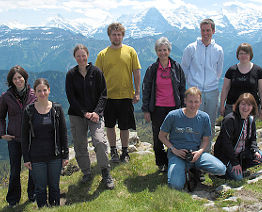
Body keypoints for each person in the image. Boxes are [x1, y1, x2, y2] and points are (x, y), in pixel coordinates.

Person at [66, 44, 114, 189]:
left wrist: (96, 112)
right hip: (77, 115)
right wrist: (84, 113)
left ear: (88, 55)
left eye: (83, 55)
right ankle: (86, 172)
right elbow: (71, 98)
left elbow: (103, 94)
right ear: (74, 57)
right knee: (80, 144)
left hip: (95, 114)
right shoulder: (71, 75)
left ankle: (105, 171)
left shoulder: (96, 72)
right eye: (78, 56)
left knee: (99, 141)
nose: (81, 58)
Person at [158, 87, 226, 190]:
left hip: (196, 155)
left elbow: (206, 139)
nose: (193, 105)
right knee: (175, 186)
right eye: (190, 102)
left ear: (200, 102)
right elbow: (161, 136)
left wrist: (199, 152)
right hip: (177, 154)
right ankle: (182, 171)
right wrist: (173, 150)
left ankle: (194, 170)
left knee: (221, 169)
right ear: (185, 101)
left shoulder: (204, 118)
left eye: (196, 102)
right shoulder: (173, 116)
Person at [95, 23, 141, 163]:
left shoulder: (130, 51)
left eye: (119, 34)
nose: (116, 36)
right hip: (108, 97)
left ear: (123, 35)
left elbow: (136, 72)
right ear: (109, 36)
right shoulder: (103, 54)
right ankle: (114, 150)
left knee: (124, 126)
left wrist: (137, 91)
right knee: (109, 126)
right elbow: (97, 76)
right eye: (114, 34)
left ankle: (125, 151)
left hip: (126, 95)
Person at [21, 78, 69, 208]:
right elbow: (24, 137)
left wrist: (65, 155)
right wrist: (26, 158)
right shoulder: (29, 111)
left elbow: (63, 133)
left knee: (54, 186)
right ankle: (42, 208)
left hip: (55, 155)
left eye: (44, 90)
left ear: (49, 90)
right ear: (34, 93)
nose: (42, 93)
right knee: (40, 188)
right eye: (39, 91)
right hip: (36, 157)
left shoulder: (57, 109)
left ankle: (55, 208)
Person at [142, 37, 186, 172]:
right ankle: (161, 163)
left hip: (174, 108)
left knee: (176, 136)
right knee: (158, 137)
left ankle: (174, 161)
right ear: (156, 52)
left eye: (165, 50)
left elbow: (182, 88)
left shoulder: (177, 67)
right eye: (160, 50)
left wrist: (184, 107)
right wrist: (146, 110)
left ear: (169, 51)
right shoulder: (152, 69)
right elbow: (146, 89)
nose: (162, 53)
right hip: (157, 109)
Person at [181, 18, 224, 151]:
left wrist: (211, 82)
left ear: (213, 31)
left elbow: (218, 72)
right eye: (203, 30)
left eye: (208, 30)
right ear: (200, 31)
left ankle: (205, 152)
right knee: (194, 122)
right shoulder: (191, 48)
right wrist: (193, 85)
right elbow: (184, 69)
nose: (205, 33)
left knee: (209, 122)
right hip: (195, 92)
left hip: (212, 91)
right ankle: (192, 151)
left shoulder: (218, 50)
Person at [0, 65, 36, 207]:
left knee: (32, 167)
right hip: (14, 138)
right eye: (15, 78)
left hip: (31, 137)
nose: (18, 80)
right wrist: (2, 134)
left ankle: (33, 195)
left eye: (20, 77)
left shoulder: (34, 94)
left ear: (25, 77)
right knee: (14, 170)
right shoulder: (6, 97)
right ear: (11, 81)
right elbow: (0, 117)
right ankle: (13, 199)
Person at [214, 93, 262, 181]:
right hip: (227, 156)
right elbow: (226, 144)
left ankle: (241, 168)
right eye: (243, 104)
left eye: (249, 105)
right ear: (238, 105)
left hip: (241, 155)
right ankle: (226, 171)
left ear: (253, 107)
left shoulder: (250, 120)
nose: (245, 108)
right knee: (238, 178)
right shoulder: (230, 120)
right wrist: (234, 163)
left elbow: (253, 139)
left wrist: (255, 150)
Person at [220, 43, 262, 119]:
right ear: (237, 55)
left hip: (251, 108)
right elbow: (225, 89)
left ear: (250, 55)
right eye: (241, 53)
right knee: (230, 129)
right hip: (232, 107)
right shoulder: (231, 70)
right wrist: (222, 105)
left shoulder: (259, 71)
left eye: (246, 53)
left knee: (248, 130)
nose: (243, 56)